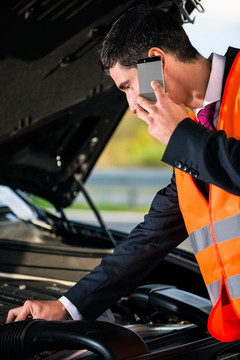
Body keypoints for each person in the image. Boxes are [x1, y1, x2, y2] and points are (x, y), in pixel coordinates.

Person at [6, 5, 240, 342]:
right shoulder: (194, 130)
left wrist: (182, 136)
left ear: (155, 61)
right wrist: (67, 306)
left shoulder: (190, 134)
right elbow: (152, 236)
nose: (131, 105)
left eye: (129, 85)